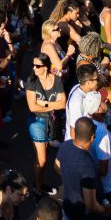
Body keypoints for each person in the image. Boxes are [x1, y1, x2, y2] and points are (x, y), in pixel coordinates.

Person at [56, 117, 110, 220]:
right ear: (92, 137)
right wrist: (105, 209)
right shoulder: (87, 165)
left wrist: (70, 179)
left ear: (75, 132)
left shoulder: (65, 146)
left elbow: (56, 165)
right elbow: (91, 204)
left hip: (69, 212)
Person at [25, 53, 66, 196]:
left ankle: (39, 182)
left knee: (45, 154)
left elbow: (63, 103)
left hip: (51, 121)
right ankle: (37, 188)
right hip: (36, 122)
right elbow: (32, 107)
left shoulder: (57, 80)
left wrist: (45, 103)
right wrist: (52, 106)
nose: (34, 68)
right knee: (42, 160)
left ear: (46, 67)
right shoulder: (32, 81)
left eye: (37, 65)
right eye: (33, 65)